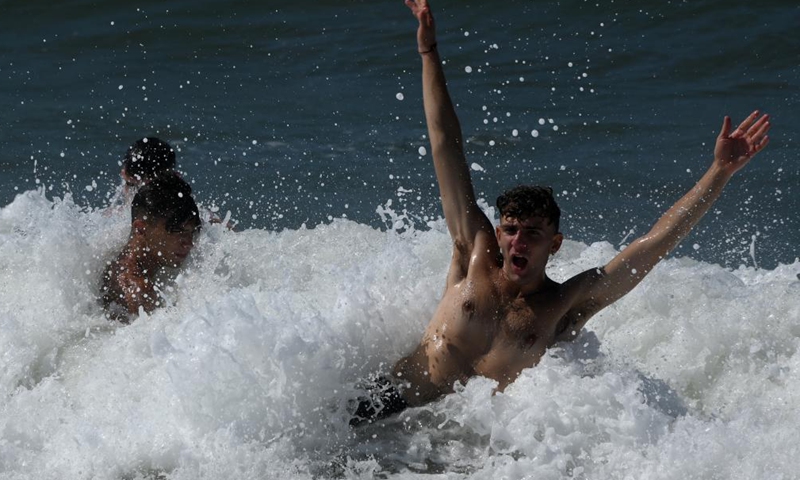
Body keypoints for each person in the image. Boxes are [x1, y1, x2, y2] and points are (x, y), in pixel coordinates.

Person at [349, 0, 771, 425]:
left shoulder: (564, 305)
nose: (518, 240)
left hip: (454, 447)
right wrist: (428, 52)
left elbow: (655, 244)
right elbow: (445, 144)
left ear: (555, 244)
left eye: (532, 233)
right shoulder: (472, 253)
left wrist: (719, 172)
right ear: (498, 233)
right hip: (384, 411)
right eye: (510, 229)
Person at [101, 174, 201, 322]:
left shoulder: (121, 263)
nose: (189, 243)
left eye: (192, 232)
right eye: (177, 231)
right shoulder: (139, 291)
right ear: (140, 229)